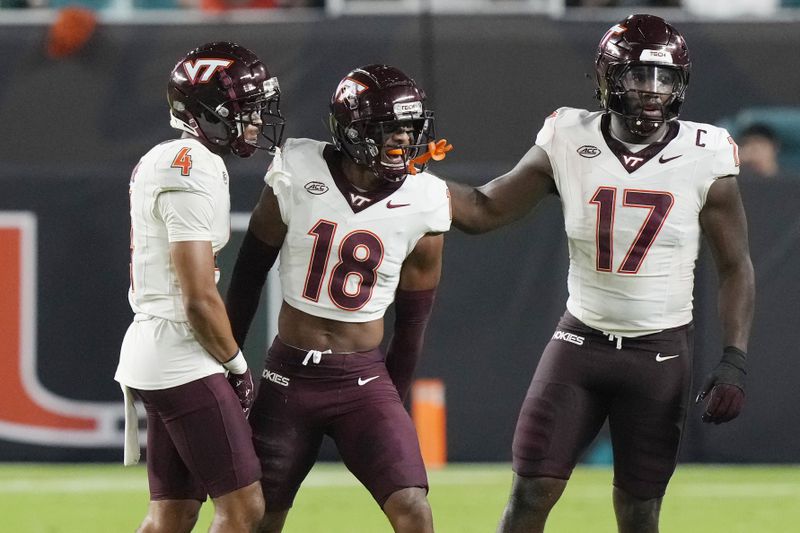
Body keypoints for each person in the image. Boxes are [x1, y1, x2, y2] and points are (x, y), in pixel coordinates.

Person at [447, 14, 755, 533]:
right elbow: (484, 210)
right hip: (580, 342)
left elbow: (736, 265)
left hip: (658, 353)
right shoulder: (568, 136)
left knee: (639, 512)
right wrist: (408, 183)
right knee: (530, 494)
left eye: (664, 77)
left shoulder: (706, 153)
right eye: (638, 75)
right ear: (607, 78)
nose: (653, 91)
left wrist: (735, 358)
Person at [225, 64, 452, 533]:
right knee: (256, 517)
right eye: (387, 130)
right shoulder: (299, 167)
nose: (400, 143)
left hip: (362, 378)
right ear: (350, 130)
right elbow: (248, 274)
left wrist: (391, 398)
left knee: (413, 506)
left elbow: (413, 323)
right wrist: (229, 367)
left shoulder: (425, 198)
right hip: (287, 374)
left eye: (409, 131)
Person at [115, 41, 285, 533]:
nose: (255, 120)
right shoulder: (191, 166)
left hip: (160, 349)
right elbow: (196, 295)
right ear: (208, 109)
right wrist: (235, 363)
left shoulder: (175, 158)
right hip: (178, 354)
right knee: (243, 508)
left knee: (172, 513)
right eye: (245, 109)